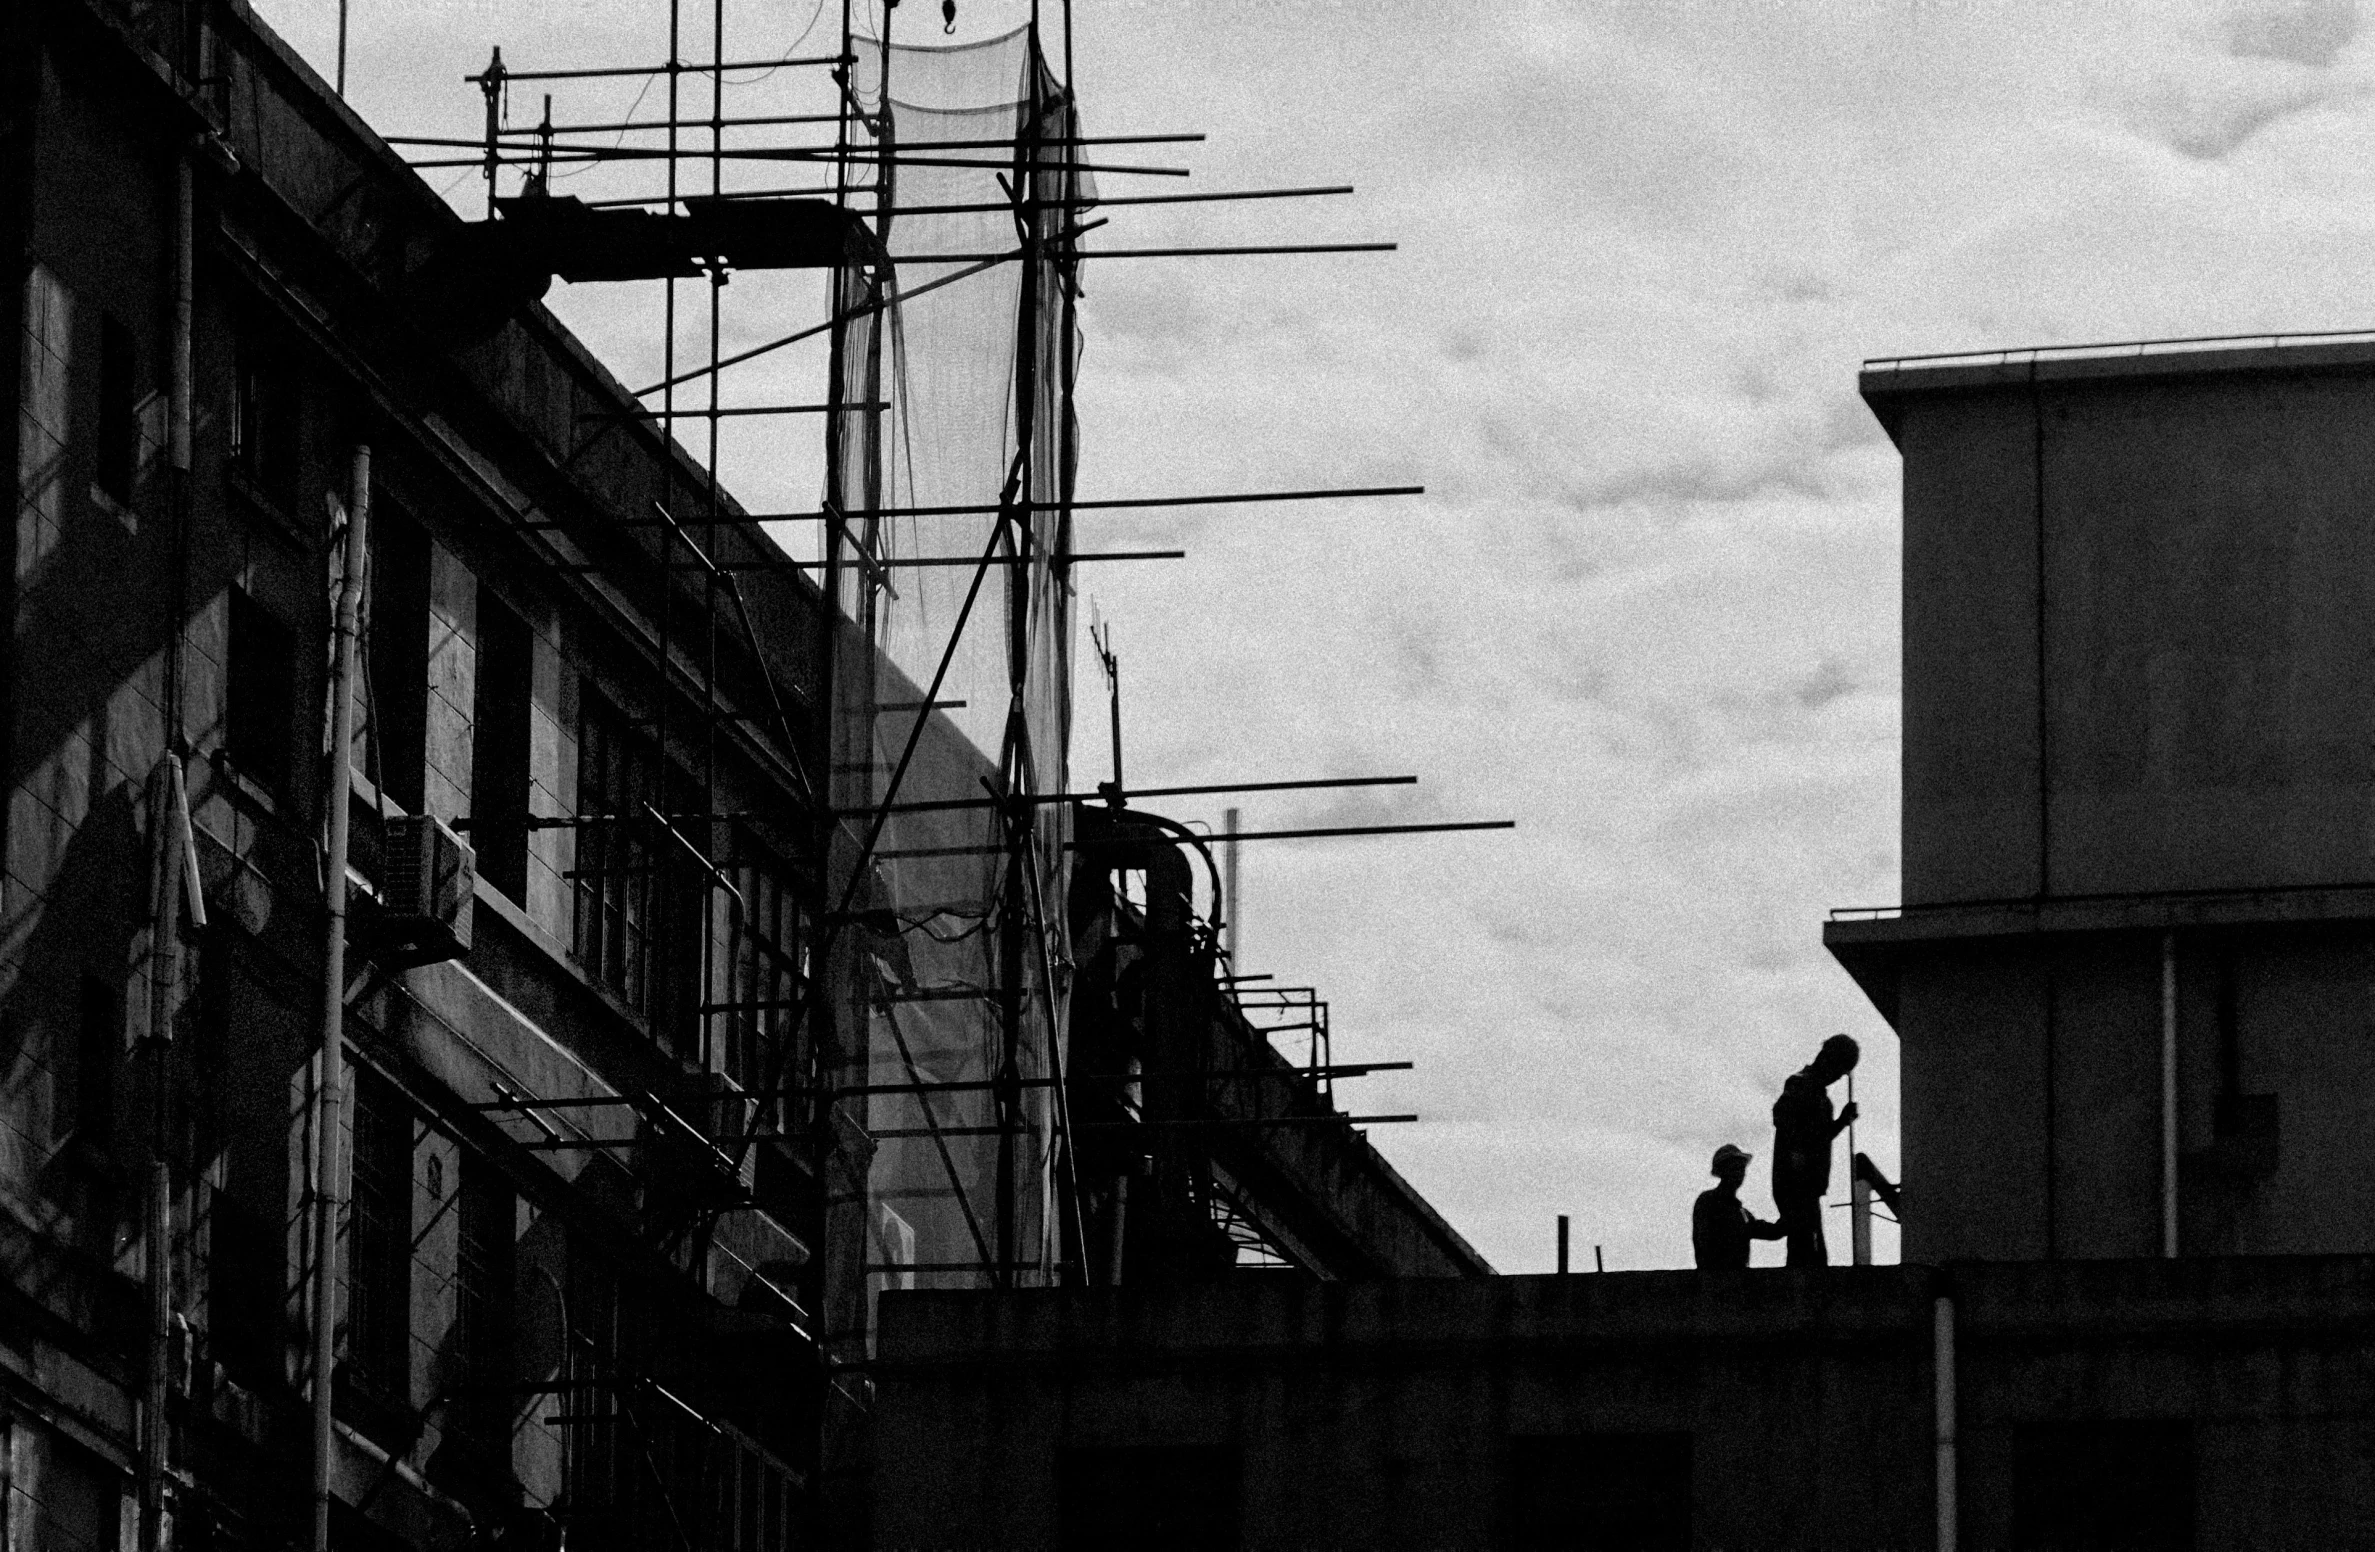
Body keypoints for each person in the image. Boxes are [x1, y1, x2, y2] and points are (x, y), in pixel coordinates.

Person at [1771, 1033, 1860, 1267]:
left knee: (1812, 1255)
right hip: (1796, 1185)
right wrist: (1796, 1154)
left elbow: (1818, 1138)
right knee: (1807, 1256)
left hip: (1807, 1188)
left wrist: (1841, 1121)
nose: (1838, 1078)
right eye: (1839, 1071)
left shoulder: (1819, 1096)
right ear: (1828, 1059)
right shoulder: (1801, 1083)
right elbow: (1782, 1115)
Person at [1693, 1144, 1784, 1270]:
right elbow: (1705, 1242)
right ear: (1723, 1171)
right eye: (1735, 1168)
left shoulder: (1741, 1213)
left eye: (1741, 1168)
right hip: (1715, 1280)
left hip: (1736, 1281)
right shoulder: (1707, 1202)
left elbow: (1770, 1231)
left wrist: (1791, 1221)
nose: (1740, 1173)